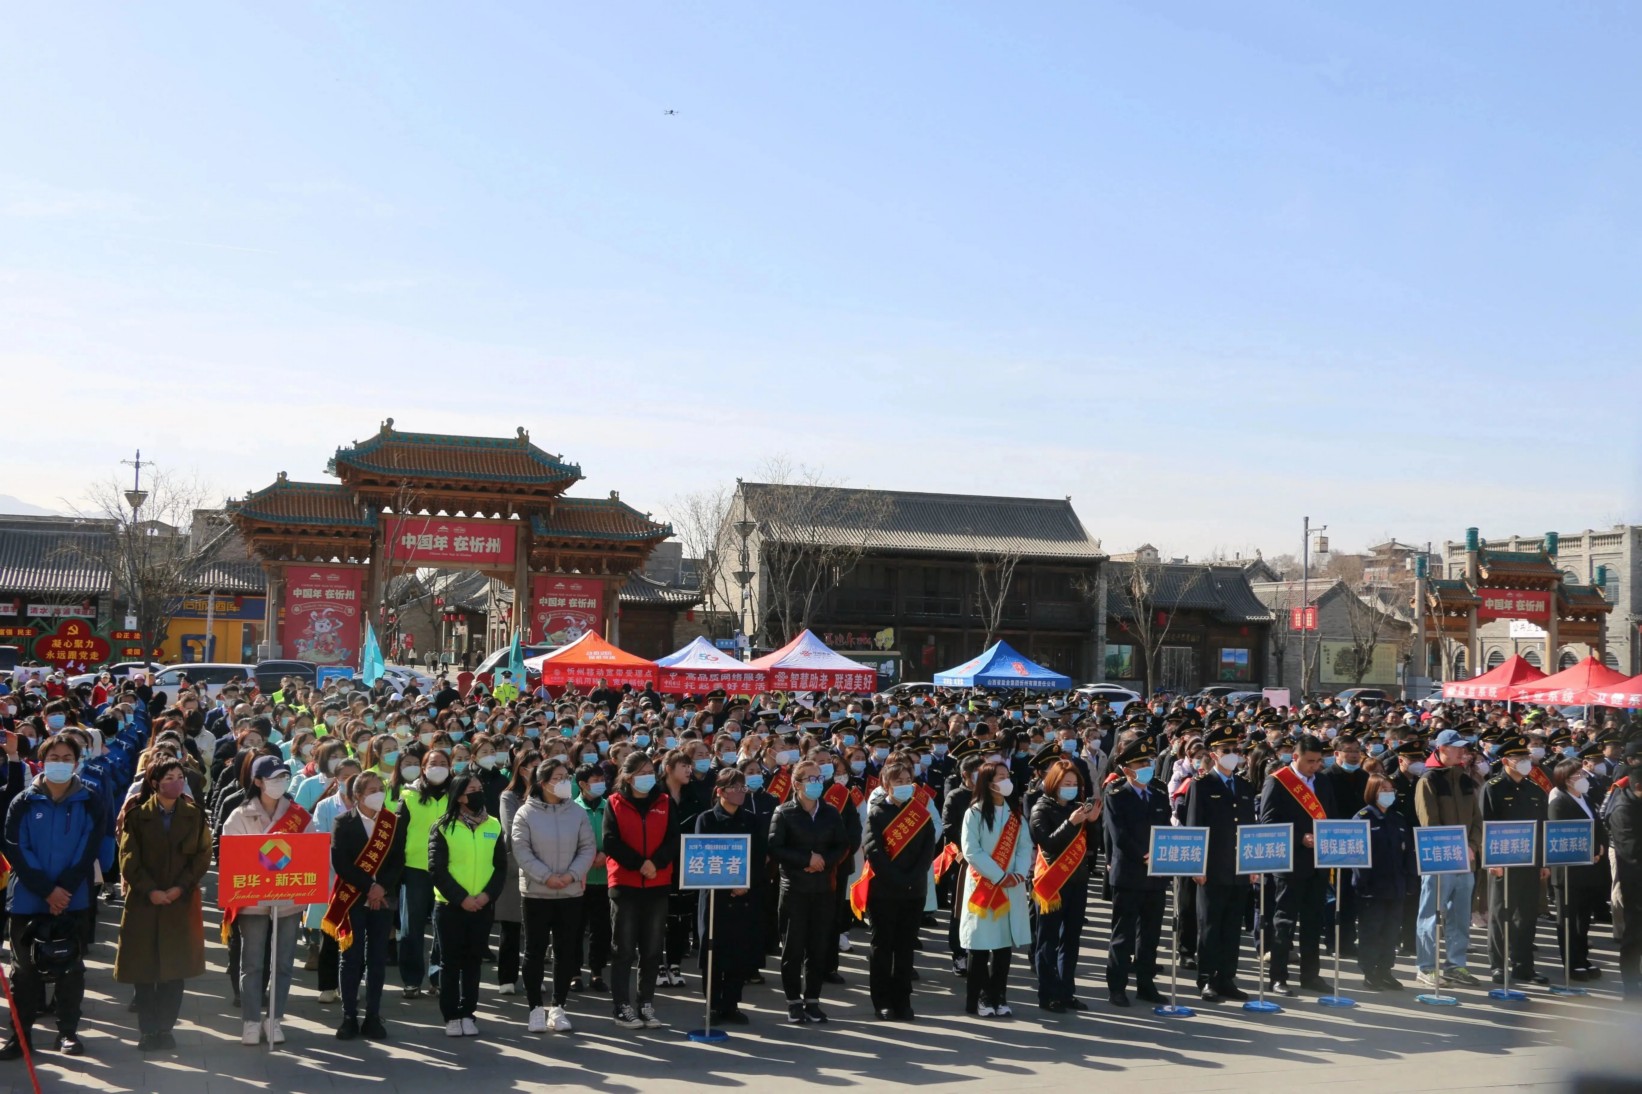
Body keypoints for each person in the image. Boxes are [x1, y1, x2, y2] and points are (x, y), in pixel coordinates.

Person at [0, 733, 104, 1060]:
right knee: (24, 972)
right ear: (43, 761)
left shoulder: (90, 800)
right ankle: (21, 1036)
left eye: (66, 758)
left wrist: (64, 889)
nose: (60, 763)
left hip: (73, 898)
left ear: (76, 762)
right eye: (54, 758)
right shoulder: (24, 802)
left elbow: (88, 847)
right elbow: (16, 847)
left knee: (71, 968)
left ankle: (67, 1032)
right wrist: (46, 889)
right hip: (28, 898)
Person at [114, 759, 212, 1052]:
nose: (176, 782)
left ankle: (166, 1029)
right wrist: (150, 890)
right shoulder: (137, 816)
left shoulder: (194, 815)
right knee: (144, 970)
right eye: (169, 777)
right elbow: (128, 858)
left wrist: (180, 887)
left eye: (180, 776)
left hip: (179, 902)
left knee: (174, 970)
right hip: (144, 903)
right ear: (155, 783)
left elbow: (202, 855)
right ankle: (148, 1030)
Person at [223, 754, 314, 1046]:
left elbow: (311, 853)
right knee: (252, 963)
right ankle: (251, 1020)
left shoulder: (299, 816)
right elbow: (232, 858)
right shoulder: (240, 815)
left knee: (284, 962)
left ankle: (274, 1018)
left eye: (284, 777)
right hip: (252, 900)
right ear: (259, 782)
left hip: (288, 899)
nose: (280, 782)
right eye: (274, 778)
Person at [512, 758, 595, 1034]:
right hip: (537, 892)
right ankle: (535, 1008)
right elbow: (521, 850)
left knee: (565, 951)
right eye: (558, 778)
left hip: (570, 892)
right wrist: (546, 876)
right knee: (534, 951)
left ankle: (559, 1006)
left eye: (566, 777)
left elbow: (587, 848)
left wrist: (571, 875)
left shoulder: (577, 813)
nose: (564, 782)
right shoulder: (525, 813)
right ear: (543, 783)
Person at [326, 771, 406, 1041]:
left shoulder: (392, 822)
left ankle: (373, 1015)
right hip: (353, 896)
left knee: (377, 958)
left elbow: (397, 860)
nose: (378, 794)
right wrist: (368, 887)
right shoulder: (343, 822)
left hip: (383, 898)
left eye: (380, 789)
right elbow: (341, 862)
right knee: (351, 957)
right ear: (358, 796)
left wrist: (381, 887)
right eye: (372, 790)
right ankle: (349, 1016)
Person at [768, 757, 849, 1024]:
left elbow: (842, 845)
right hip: (795, 889)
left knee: (818, 947)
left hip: (823, 888)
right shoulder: (784, 812)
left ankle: (813, 999)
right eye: (810, 779)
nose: (816, 783)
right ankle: (793, 1000)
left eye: (819, 778)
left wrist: (823, 861)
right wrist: (806, 859)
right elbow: (775, 848)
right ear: (796, 784)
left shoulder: (830, 812)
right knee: (793, 948)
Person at [858, 760, 937, 1021]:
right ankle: (882, 1001)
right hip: (883, 891)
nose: (903, 785)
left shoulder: (920, 813)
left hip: (914, 890)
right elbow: (873, 851)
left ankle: (902, 1000)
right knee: (882, 947)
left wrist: (912, 878)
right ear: (886, 784)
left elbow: (928, 849)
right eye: (897, 781)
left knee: (905, 947)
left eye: (907, 780)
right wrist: (897, 879)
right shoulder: (877, 813)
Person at [428, 773, 506, 1036]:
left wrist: (487, 896)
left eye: (479, 788)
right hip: (450, 906)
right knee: (450, 963)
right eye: (472, 789)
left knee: (473, 963)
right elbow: (437, 869)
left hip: (482, 906)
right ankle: (451, 1015)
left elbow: (500, 867)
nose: (478, 793)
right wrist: (461, 898)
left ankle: (468, 1013)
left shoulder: (493, 825)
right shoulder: (442, 827)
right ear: (460, 796)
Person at [1257, 733, 1335, 995]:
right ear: (1295, 756)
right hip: (1290, 863)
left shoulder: (1323, 782)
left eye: (1318, 761)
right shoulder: (1278, 781)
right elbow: (1268, 822)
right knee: (1284, 923)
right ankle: (1278, 976)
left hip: (1318, 864)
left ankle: (1311, 976)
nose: (1315, 766)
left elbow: (1331, 815)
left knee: (1313, 923)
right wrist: (1300, 837)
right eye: (1310, 761)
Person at [1185, 724, 1257, 1002]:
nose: (1232, 754)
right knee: (1210, 926)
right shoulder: (1202, 785)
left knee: (1232, 927)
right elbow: (1195, 827)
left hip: (1238, 868)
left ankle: (1227, 978)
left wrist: (1252, 865)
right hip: (1212, 869)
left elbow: (1249, 828)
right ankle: (1207, 979)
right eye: (1226, 750)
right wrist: (1197, 866)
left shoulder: (1244, 785)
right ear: (1213, 755)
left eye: (1235, 749)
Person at [603, 752, 676, 1030]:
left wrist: (655, 863)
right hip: (625, 884)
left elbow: (673, 839)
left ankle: (646, 1003)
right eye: (641, 772)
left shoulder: (665, 802)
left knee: (652, 949)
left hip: (657, 883)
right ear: (628, 776)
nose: (647, 777)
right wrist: (639, 864)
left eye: (650, 772)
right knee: (623, 949)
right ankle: (621, 1006)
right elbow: (611, 841)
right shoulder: (614, 802)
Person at [959, 755, 1033, 1018]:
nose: (1006, 781)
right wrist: (999, 876)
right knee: (980, 946)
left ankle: (999, 995)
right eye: (1001, 777)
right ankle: (980, 996)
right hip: (985, 886)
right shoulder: (974, 813)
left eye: (1007, 777)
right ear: (988, 783)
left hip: (1011, 885)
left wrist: (1018, 874)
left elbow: (1025, 846)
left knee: (1002, 947)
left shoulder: (1015, 816)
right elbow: (971, 850)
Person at [1102, 738, 1170, 1008]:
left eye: (1148, 762)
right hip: (1129, 874)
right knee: (1123, 934)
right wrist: (1145, 854)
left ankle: (1146, 984)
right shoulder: (1116, 794)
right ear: (1127, 769)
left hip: (1156, 875)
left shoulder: (1159, 792)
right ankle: (1117, 986)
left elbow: (1166, 828)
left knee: (1150, 935)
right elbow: (1119, 836)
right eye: (1141, 763)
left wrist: (1164, 855)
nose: (1147, 767)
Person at [1028, 757, 1100, 1012]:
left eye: (1074, 783)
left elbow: (1092, 847)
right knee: (1047, 940)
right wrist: (1071, 823)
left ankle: (1067, 991)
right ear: (1054, 783)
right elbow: (1047, 843)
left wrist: (1093, 822)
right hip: (1052, 882)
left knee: (1071, 939)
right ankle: (1048, 994)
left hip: (1077, 880)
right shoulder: (1041, 808)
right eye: (1065, 783)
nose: (1070, 788)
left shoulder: (1078, 807)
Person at [1412, 728, 1483, 988]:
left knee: (1460, 915)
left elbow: (1477, 819)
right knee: (1431, 914)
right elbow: (1429, 824)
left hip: (1467, 860)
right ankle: (1426, 966)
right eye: (1457, 748)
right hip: (1440, 858)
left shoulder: (1465, 779)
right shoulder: (1428, 780)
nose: (1462, 752)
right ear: (1442, 749)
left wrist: (1472, 846)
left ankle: (1456, 964)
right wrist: (1455, 848)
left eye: (1464, 747)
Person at [692, 768, 763, 1023]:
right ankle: (712, 1004)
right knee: (713, 952)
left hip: (744, 896)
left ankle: (732, 1004)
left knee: (738, 952)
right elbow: (702, 855)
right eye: (734, 787)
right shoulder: (706, 819)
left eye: (743, 787)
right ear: (720, 791)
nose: (740, 792)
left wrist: (746, 884)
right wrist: (727, 884)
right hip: (715, 897)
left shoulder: (751, 820)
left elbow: (759, 858)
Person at [1482, 734, 1550, 986]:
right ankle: (1498, 966)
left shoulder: (1534, 788)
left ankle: (1523, 967)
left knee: (1527, 915)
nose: (1524, 761)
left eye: (1525, 757)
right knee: (1501, 914)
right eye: (1518, 757)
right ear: (1505, 761)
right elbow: (1486, 824)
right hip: (1503, 860)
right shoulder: (1493, 787)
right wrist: (1492, 861)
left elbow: (1542, 826)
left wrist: (1543, 861)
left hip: (1530, 861)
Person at [394, 746, 452, 999]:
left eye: (443, 763)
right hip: (415, 869)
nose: (438, 768)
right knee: (411, 928)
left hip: (449, 869)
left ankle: (438, 977)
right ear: (423, 768)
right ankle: (411, 979)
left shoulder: (456, 794)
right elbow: (398, 836)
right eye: (432, 763)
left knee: (444, 928)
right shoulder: (408, 795)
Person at [1353, 773, 1417, 990]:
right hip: (1372, 888)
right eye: (1384, 790)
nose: (1389, 794)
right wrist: (1362, 883)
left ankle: (1385, 970)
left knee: (1391, 932)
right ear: (1373, 792)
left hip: (1396, 886)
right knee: (1372, 931)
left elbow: (1407, 852)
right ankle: (1369, 971)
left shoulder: (1397, 818)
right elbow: (1357, 856)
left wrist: (1410, 880)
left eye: (1391, 790)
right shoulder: (1363, 818)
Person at [1548, 758, 1606, 980]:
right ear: (1565, 780)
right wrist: (1590, 848)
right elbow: (1561, 834)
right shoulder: (1559, 802)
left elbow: (1598, 826)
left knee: (1584, 918)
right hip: (1568, 870)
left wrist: (1599, 846)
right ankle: (1571, 962)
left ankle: (1583, 958)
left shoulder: (1586, 799)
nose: (1582, 778)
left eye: (1582, 774)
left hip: (1590, 868)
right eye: (1577, 775)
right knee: (1568, 918)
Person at [1604, 744, 1642, 997]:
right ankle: (1630, 985)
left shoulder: (1636, 800)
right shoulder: (1623, 809)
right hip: (1635, 881)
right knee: (1634, 934)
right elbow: (1631, 851)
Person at [573, 763, 612, 993]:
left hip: (605, 878)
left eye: (602, 779)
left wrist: (606, 853)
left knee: (601, 929)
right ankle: (574, 973)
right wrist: (588, 857)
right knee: (575, 928)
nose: (600, 784)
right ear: (582, 784)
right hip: (580, 879)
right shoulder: (573, 808)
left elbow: (618, 836)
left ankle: (597, 972)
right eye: (595, 780)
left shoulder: (610, 807)